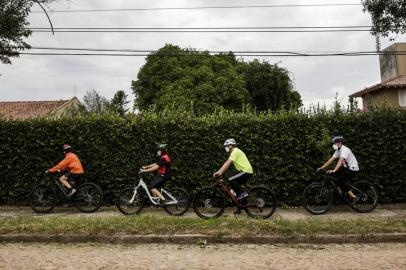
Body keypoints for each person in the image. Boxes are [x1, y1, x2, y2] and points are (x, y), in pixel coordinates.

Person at [318, 135, 360, 205]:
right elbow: (330, 160)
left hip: (352, 168)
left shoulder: (344, 150)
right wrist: (321, 168)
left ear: (339, 143)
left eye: (334, 143)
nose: (333, 145)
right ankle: (341, 192)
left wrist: (334, 170)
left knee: (340, 181)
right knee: (331, 175)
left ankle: (354, 197)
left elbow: (340, 161)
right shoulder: (338, 150)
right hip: (346, 167)